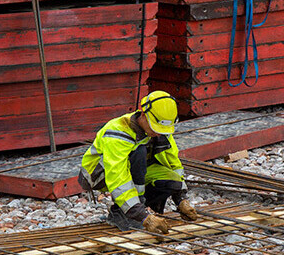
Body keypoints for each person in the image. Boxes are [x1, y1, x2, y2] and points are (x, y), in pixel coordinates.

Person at [79, 90, 199, 233]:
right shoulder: (118, 133)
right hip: (99, 174)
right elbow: (118, 178)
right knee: (139, 152)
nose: (158, 133)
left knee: (171, 180)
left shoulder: (161, 132)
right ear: (143, 114)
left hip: (133, 168)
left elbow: (173, 163)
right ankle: (123, 212)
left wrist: (181, 199)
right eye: (156, 128)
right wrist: (142, 217)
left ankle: (140, 209)